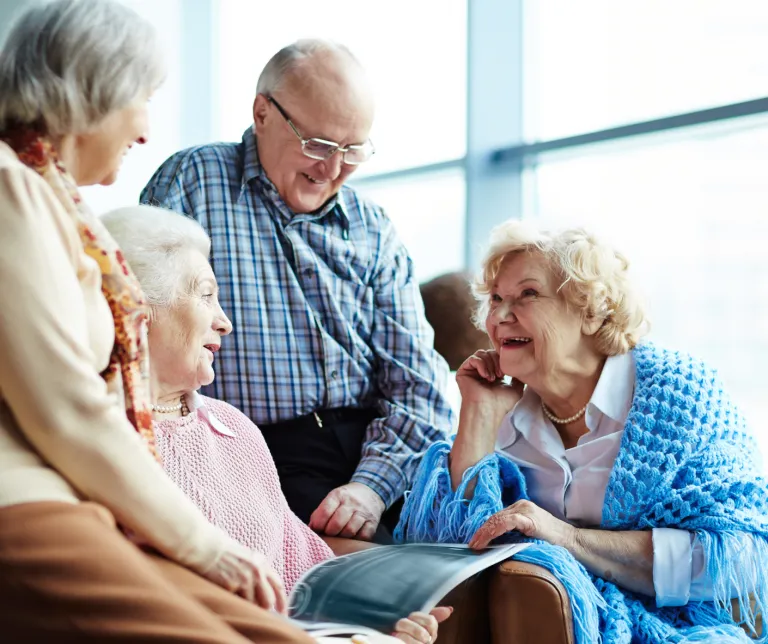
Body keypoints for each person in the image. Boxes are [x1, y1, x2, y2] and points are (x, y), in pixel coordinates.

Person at [0, 1, 314, 641]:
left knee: (284, 636)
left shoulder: (55, 203)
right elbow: (68, 409)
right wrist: (206, 547)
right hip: (24, 503)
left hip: (76, 503)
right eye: (141, 99)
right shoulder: (12, 189)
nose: (145, 129)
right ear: (92, 92)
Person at [140, 39, 454, 543]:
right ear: (262, 112)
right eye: (319, 144)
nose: (333, 169)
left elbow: (421, 389)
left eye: (352, 150)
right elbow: (148, 331)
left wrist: (371, 489)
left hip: (376, 454)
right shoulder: (195, 179)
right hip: (250, 452)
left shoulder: (373, 227)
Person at [396, 221, 768, 643]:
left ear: (591, 311)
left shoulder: (680, 394)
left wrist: (568, 537)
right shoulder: (502, 409)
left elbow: (743, 556)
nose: (499, 316)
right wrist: (479, 417)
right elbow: (444, 554)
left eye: (527, 294)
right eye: (495, 298)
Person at [101, 204, 452, 644]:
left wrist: (373, 626)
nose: (224, 322)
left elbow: (302, 576)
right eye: (206, 295)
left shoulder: (234, 429)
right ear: (138, 306)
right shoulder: (95, 440)